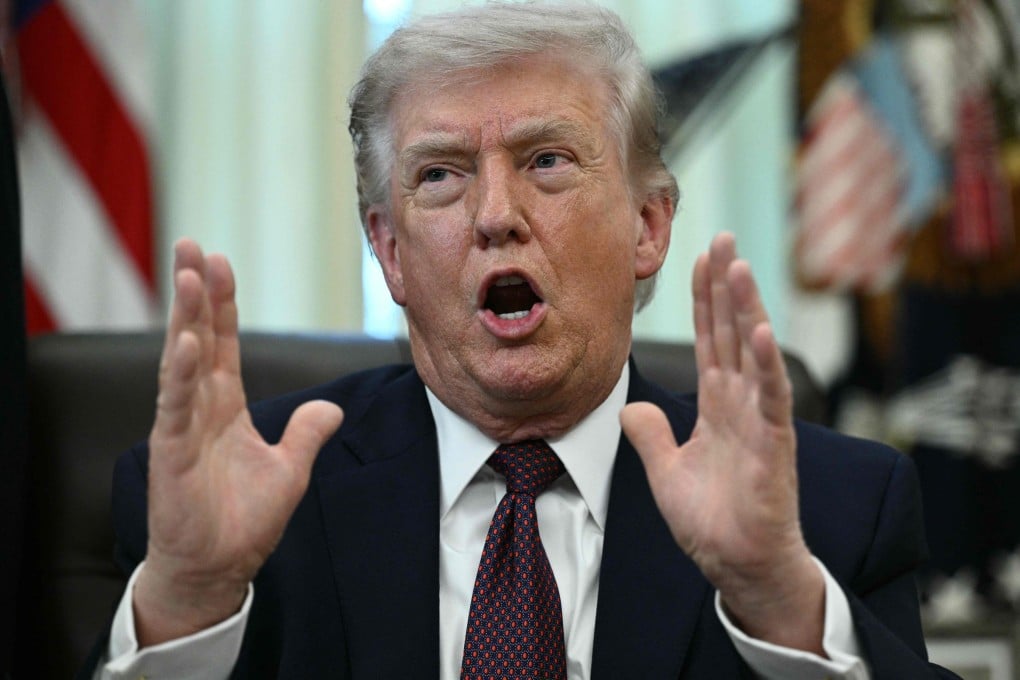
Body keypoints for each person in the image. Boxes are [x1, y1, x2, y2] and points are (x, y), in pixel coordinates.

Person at [84, 3, 957, 679]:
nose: (496, 216)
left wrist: (779, 602)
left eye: (547, 161)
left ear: (648, 225)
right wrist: (186, 608)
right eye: (440, 175)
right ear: (388, 250)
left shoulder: (833, 509)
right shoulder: (243, 505)